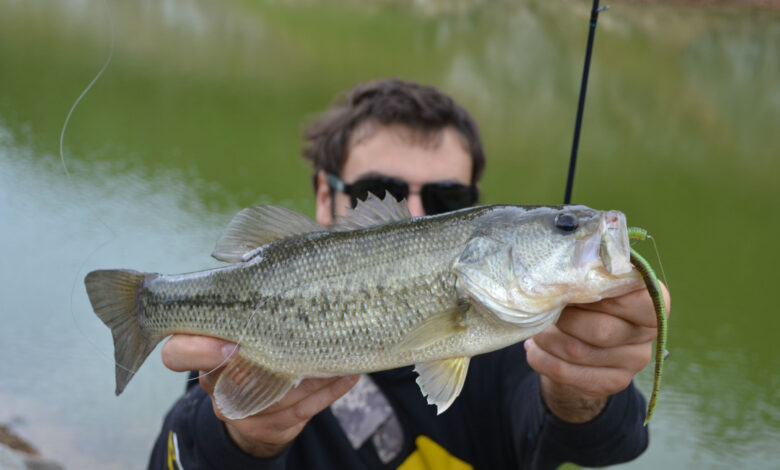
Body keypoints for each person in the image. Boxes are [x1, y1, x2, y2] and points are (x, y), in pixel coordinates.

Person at [149, 79, 669, 469]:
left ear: (476, 213)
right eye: (379, 189)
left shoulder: (518, 342)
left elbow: (598, 441)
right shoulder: (235, 354)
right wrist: (242, 439)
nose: (417, 214)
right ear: (325, 194)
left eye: (447, 201)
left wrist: (581, 385)